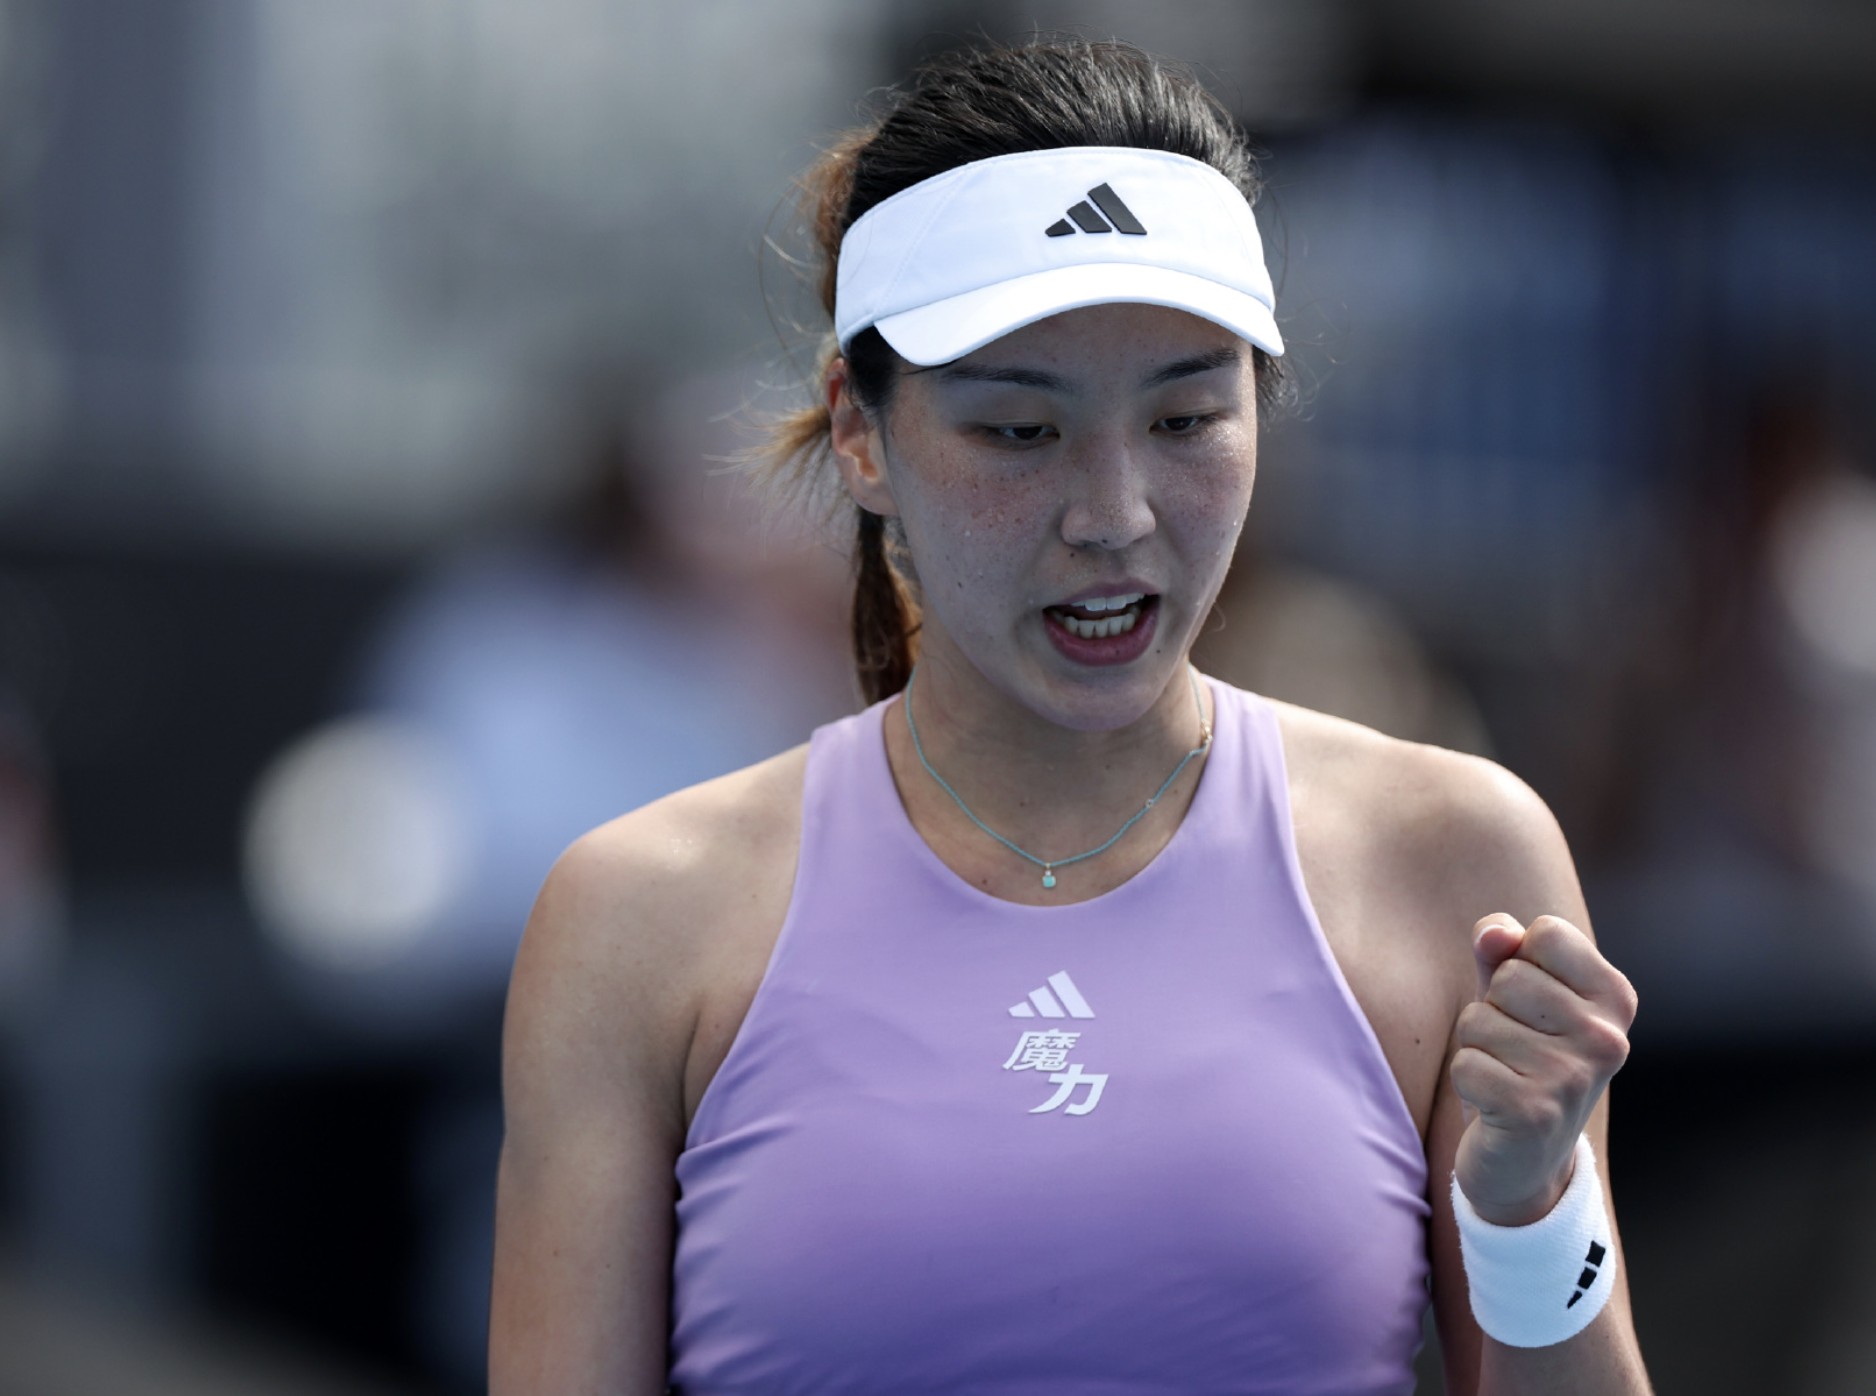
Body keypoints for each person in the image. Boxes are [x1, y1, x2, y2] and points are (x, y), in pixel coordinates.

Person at [488, 38, 1650, 1396]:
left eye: (1186, 419)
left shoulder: (1453, 857)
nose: (1115, 515)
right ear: (859, 433)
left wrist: (1530, 1215)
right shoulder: (634, 921)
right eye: (1020, 431)